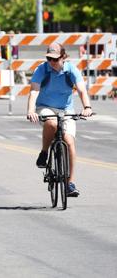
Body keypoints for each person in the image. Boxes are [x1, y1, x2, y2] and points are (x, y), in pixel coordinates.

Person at [27, 43, 93, 197]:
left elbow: (82, 90)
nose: (52, 62)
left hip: (66, 109)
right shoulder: (42, 69)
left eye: (55, 59)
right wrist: (30, 110)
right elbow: (34, 91)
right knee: (51, 123)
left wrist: (87, 107)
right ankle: (44, 152)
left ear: (63, 57)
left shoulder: (71, 70)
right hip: (45, 106)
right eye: (49, 58)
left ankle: (69, 183)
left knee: (69, 142)